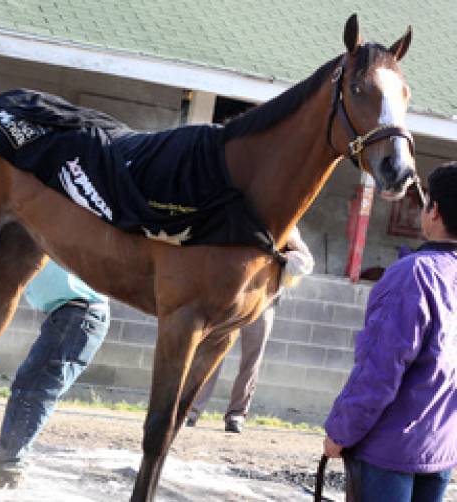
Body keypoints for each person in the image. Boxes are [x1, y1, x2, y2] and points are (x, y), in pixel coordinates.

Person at [323, 162, 457, 502]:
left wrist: (341, 431)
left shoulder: (414, 274)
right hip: (441, 447)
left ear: (434, 211)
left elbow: (379, 369)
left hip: (389, 450)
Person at [0, 260, 110, 488]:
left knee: (34, 389)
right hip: (73, 314)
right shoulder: (25, 255)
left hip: (81, 314)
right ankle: (6, 461)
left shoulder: (37, 237)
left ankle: (7, 465)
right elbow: (4, 290)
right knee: (30, 386)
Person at [186, 226, 314, 433]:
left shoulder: (286, 226)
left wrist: (285, 256)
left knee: (251, 359)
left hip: (264, 299)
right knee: (212, 352)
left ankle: (236, 415)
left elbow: (306, 262)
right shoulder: (241, 217)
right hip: (230, 299)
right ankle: (191, 410)